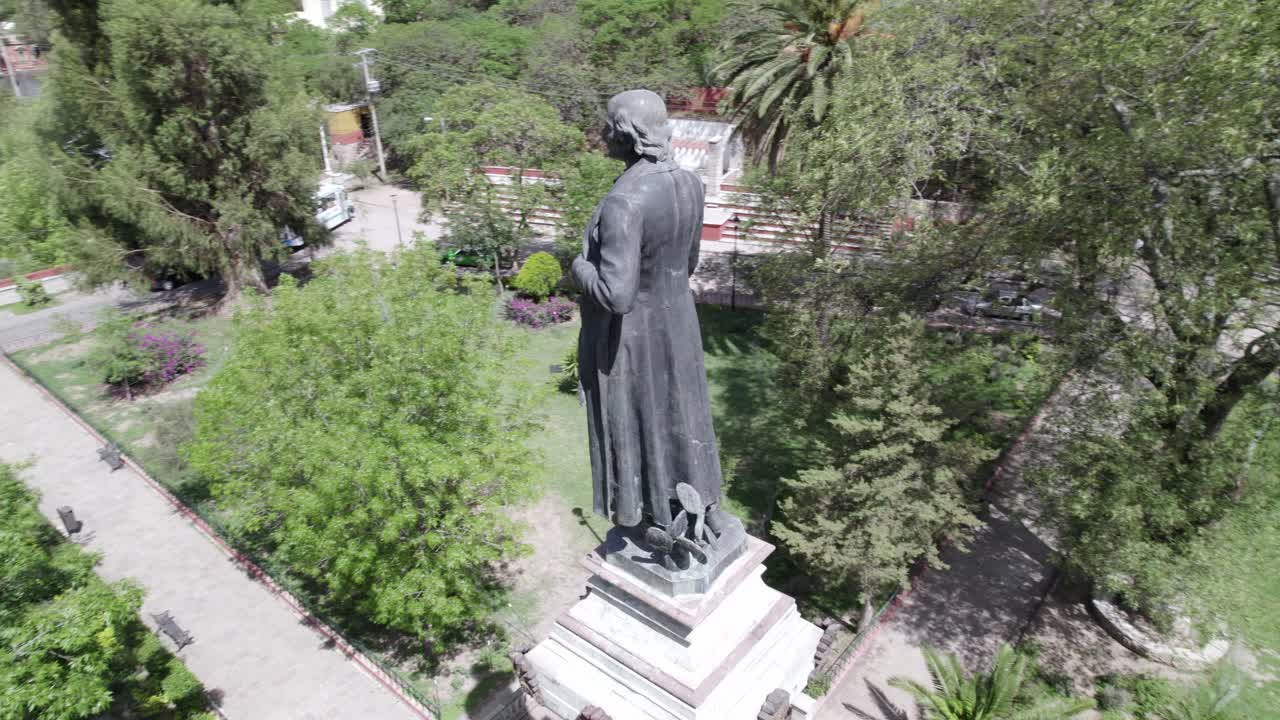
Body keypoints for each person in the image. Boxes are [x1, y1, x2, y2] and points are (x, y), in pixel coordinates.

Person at [572, 89, 723, 532]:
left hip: (635, 340)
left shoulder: (625, 201)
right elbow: (689, 263)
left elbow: (617, 295)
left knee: (649, 422)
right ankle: (696, 508)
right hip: (679, 321)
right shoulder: (690, 184)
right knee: (684, 414)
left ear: (627, 135)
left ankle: (655, 515)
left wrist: (579, 267)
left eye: (608, 127)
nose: (602, 134)